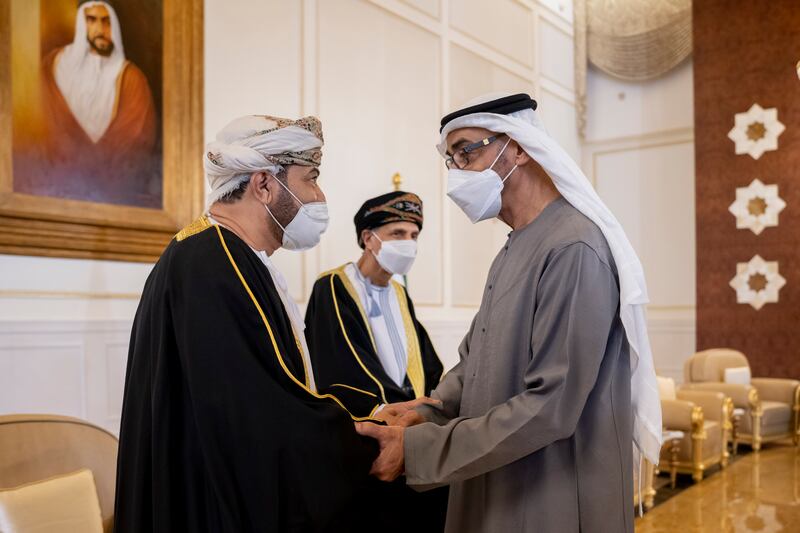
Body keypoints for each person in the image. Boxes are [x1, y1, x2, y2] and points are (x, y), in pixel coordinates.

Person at [356, 93, 663, 533]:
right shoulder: (514, 246)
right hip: (500, 479)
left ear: (517, 147)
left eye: (466, 150)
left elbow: (552, 404)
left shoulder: (573, 247)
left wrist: (421, 448)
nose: (457, 172)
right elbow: (474, 363)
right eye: (451, 159)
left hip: (551, 492)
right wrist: (428, 410)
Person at [114, 114, 377, 532]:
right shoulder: (211, 263)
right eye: (310, 178)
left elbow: (273, 385)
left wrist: (368, 411)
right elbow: (259, 419)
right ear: (264, 184)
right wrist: (369, 436)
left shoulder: (227, 254)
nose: (319, 194)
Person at [305, 191, 447, 532]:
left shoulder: (399, 292)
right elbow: (338, 362)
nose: (409, 243)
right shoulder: (334, 286)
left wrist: (434, 403)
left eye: (414, 236)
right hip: (368, 433)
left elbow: (423, 362)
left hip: (410, 432)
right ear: (368, 238)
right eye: (398, 234)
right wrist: (392, 408)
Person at [17, 1, 158, 207]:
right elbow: (36, 127)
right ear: (81, 24)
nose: (100, 29)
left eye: (106, 21)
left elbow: (136, 140)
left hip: (114, 197)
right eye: (91, 20)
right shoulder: (53, 66)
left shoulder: (132, 79)